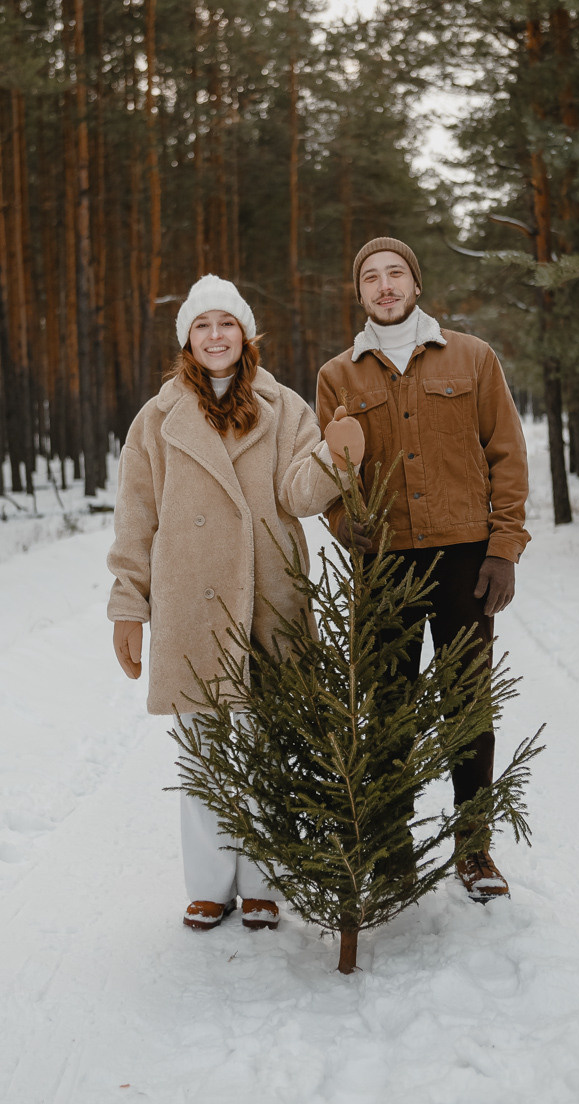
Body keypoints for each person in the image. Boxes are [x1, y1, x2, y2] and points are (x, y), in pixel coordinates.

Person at [107, 274, 364, 932]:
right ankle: (209, 885)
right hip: (190, 602)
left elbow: (298, 494)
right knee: (203, 751)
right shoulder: (156, 419)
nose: (215, 335)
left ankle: (261, 883)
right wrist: (127, 608)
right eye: (202, 325)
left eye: (226, 323)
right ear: (186, 340)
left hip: (267, 600)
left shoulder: (282, 407)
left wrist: (336, 460)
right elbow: (135, 519)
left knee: (269, 746)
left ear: (244, 333)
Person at [316, 236, 530, 902]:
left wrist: (502, 548)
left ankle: (474, 851)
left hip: (465, 555)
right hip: (383, 566)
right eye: (371, 277)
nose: (384, 286)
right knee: (389, 711)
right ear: (359, 292)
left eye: (395, 274)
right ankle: (392, 850)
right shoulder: (337, 377)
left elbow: (506, 455)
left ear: (414, 283)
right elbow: (329, 475)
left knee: (467, 705)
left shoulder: (471, 357)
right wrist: (341, 523)